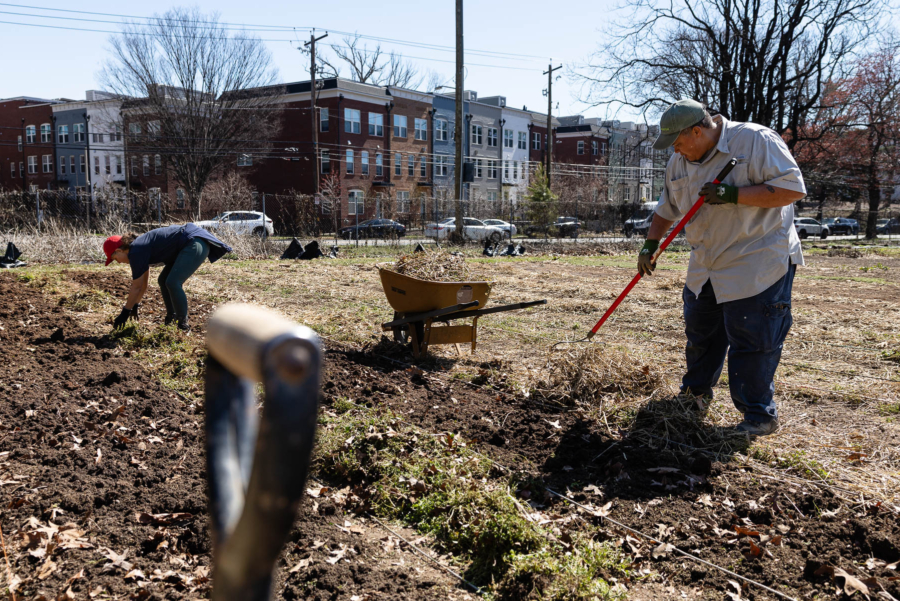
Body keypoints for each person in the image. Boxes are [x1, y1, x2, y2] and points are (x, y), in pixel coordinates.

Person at [639, 99, 806, 437]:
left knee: (752, 340)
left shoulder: (755, 141)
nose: (676, 150)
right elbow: (666, 207)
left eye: (678, 142)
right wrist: (650, 244)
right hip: (706, 263)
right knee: (701, 334)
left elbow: (792, 189)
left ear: (697, 131)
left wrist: (733, 194)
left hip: (756, 260)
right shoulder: (679, 161)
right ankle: (695, 397)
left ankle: (759, 416)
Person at [103, 223, 232, 333]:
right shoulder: (138, 249)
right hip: (190, 243)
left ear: (119, 251)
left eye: (115, 259)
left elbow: (136, 286)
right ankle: (171, 318)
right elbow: (143, 284)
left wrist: (125, 312)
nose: (118, 262)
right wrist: (135, 305)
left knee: (173, 282)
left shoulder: (136, 251)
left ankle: (183, 324)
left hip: (194, 242)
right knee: (163, 280)